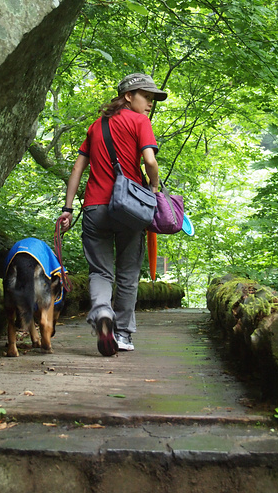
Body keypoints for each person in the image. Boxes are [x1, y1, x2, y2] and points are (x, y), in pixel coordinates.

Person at [58, 73, 168, 356]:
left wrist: (67, 209)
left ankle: (102, 313)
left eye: (153, 99)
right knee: (128, 274)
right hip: (129, 208)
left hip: (95, 207)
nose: (150, 104)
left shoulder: (95, 128)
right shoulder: (140, 123)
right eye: (147, 97)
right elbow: (150, 161)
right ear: (129, 96)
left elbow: (77, 170)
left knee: (100, 272)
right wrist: (153, 189)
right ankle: (122, 334)